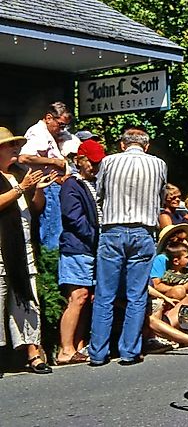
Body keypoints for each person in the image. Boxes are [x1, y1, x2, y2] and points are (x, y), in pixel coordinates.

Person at [88, 127, 167, 367]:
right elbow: (161, 197)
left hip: (113, 229)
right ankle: (129, 351)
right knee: (136, 294)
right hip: (143, 230)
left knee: (105, 294)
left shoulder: (109, 162)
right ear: (146, 145)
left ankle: (98, 353)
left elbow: (99, 194)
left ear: (123, 144)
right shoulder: (159, 164)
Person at [0, 127, 57, 374]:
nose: (15, 149)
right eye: (9, 145)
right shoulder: (16, 180)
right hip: (2, 248)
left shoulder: (19, 174)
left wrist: (39, 189)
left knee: (28, 298)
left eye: (16, 144)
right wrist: (21, 188)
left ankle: (34, 351)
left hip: (23, 248)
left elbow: (35, 209)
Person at [56, 139, 106, 365]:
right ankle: (65, 349)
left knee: (89, 298)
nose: (95, 167)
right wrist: (96, 238)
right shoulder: (72, 185)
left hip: (91, 248)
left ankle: (78, 345)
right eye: (91, 163)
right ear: (79, 160)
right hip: (77, 248)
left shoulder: (95, 184)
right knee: (77, 297)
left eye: (98, 163)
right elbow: (73, 218)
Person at [18, 102, 76, 250]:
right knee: (52, 230)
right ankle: (49, 264)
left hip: (58, 185)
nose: (62, 129)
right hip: (49, 186)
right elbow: (24, 157)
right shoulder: (38, 132)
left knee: (60, 228)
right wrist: (54, 162)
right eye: (61, 125)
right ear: (49, 118)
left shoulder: (52, 134)